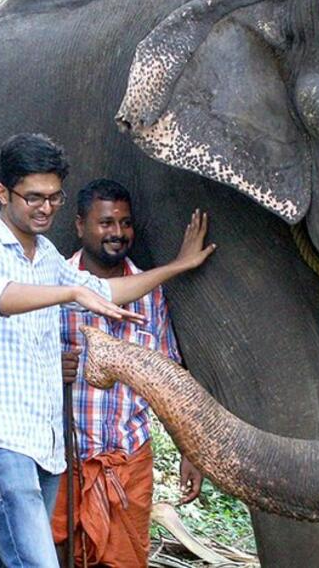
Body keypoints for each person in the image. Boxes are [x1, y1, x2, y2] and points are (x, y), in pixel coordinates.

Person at [0, 134, 215, 567]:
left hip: (45, 445)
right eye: (33, 197)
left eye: (53, 197)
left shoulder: (46, 256)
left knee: (7, 558)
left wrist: (177, 267)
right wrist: (68, 290)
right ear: (2, 192)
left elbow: (106, 290)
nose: (44, 207)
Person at [52, 179, 204, 567]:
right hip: (61, 457)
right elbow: (18, 363)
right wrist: (51, 369)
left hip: (128, 461)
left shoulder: (151, 293)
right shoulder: (52, 285)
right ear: (79, 225)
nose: (117, 233)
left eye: (124, 223)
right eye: (105, 223)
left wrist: (191, 451)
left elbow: (168, 376)